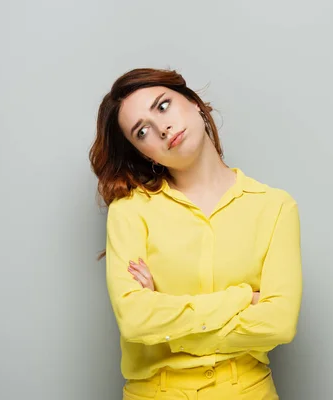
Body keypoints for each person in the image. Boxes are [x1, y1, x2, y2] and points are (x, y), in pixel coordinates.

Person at [89, 67, 303, 399]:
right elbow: (134, 322)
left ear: (195, 104)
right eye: (142, 131)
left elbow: (279, 323)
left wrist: (164, 321)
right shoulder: (130, 211)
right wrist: (243, 298)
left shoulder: (274, 207)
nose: (162, 129)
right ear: (143, 152)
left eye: (163, 106)